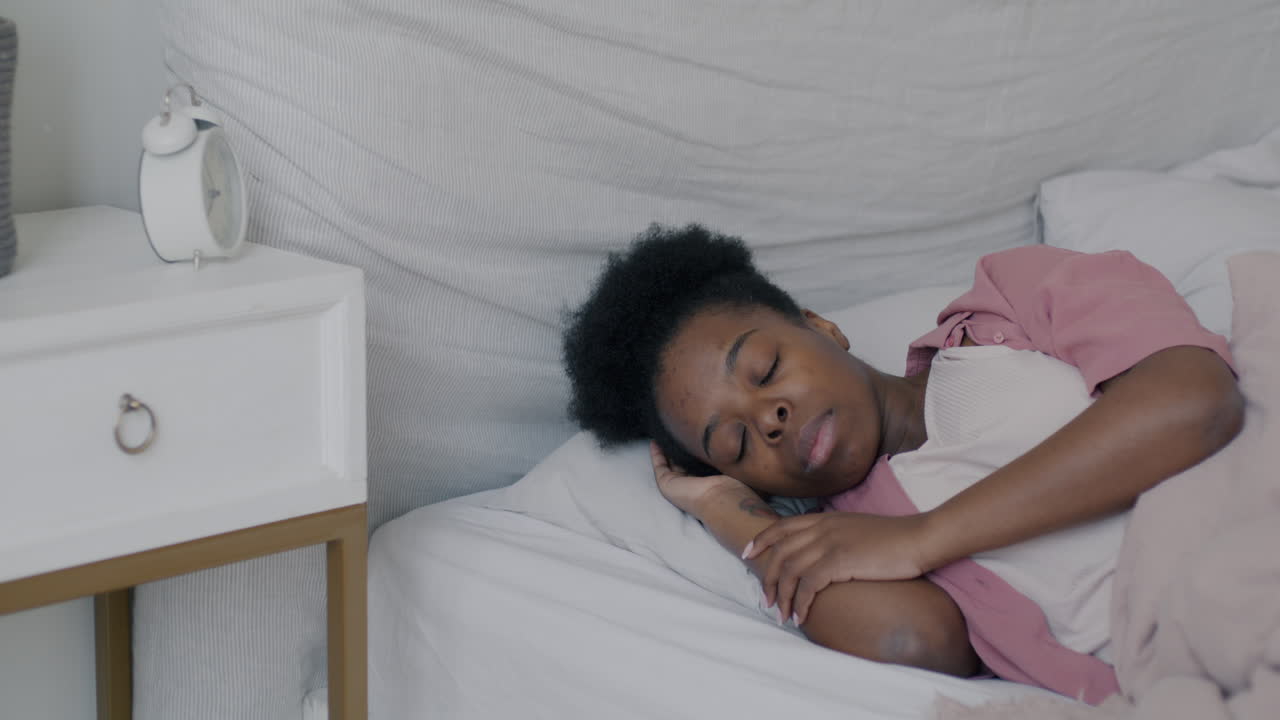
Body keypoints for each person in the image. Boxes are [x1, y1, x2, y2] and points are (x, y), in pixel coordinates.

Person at [560, 224, 1242, 700]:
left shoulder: (1011, 302)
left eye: (765, 368)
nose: (767, 419)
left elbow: (1194, 401)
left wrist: (923, 539)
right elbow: (907, 641)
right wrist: (736, 518)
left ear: (819, 325)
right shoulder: (853, 539)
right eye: (734, 444)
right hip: (1209, 666)